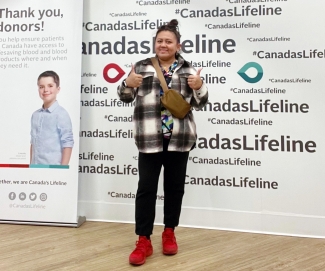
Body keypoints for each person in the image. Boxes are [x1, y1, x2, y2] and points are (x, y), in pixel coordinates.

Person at [117, 19, 208, 266]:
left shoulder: (189, 70)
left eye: (168, 41)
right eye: (159, 41)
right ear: (154, 44)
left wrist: (199, 87)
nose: (163, 45)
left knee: (174, 188)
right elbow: (125, 96)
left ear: (178, 45)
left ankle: (169, 232)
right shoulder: (142, 67)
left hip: (179, 139)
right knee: (146, 188)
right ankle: (143, 239)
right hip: (149, 139)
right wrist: (127, 84)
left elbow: (200, 103)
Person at [30, 71, 74, 165]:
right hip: (35, 168)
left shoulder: (61, 114)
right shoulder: (35, 115)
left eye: (50, 86)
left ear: (58, 89)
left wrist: (62, 169)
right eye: (41, 87)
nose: (45, 90)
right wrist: (31, 166)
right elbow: (33, 143)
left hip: (53, 169)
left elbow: (67, 143)